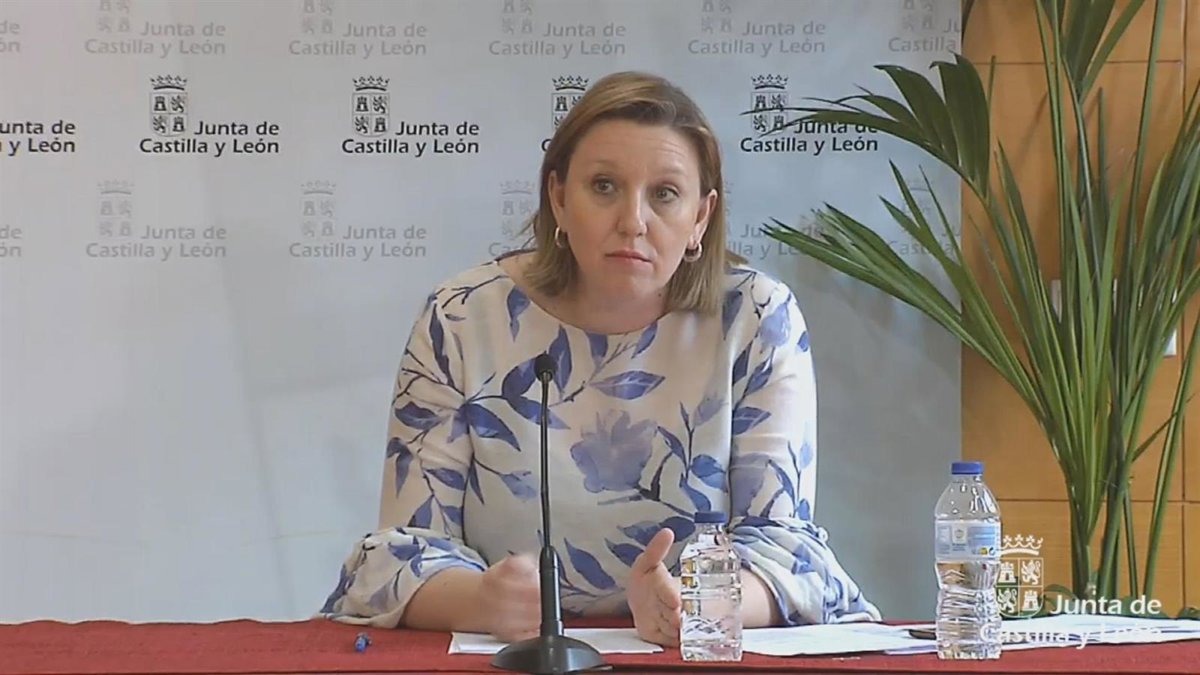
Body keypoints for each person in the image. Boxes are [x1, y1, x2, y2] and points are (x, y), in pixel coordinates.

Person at [318, 71, 880, 646]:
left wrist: (700, 606)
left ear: (701, 218)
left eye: (664, 194)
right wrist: (480, 600)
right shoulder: (462, 316)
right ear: (559, 198)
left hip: (689, 652)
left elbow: (785, 548)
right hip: (516, 656)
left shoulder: (755, 317)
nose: (632, 221)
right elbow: (407, 548)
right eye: (605, 186)